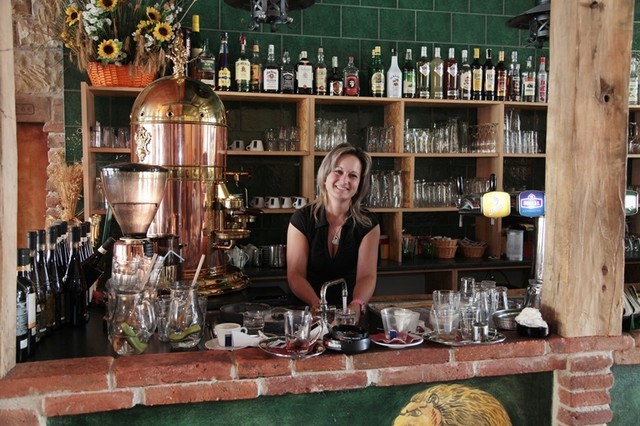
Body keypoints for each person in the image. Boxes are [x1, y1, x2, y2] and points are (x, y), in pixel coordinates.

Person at [286, 143, 380, 320]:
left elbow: (366, 276)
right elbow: (295, 275)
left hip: (349, 313)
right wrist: (317, 305)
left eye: (353, 175)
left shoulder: (368, 223)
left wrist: (356, 305)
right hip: (307, 313)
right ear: (325, 176)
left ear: (359, 184)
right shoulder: (302, 219)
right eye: (338, 171)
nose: (344, 180)